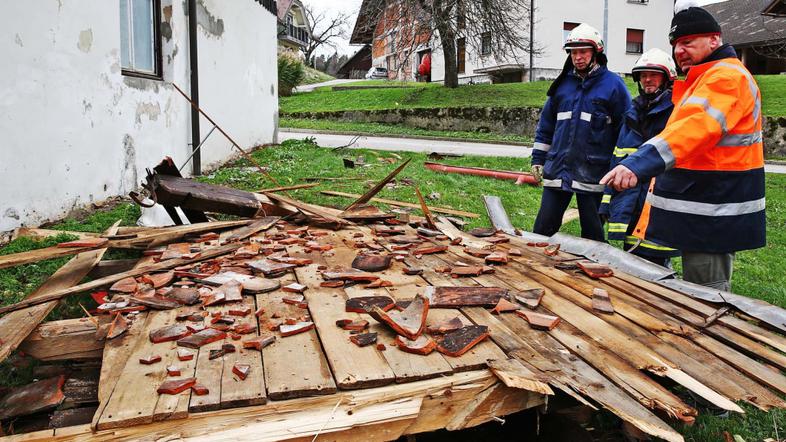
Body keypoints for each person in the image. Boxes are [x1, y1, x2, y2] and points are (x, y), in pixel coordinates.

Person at [600, 3, 765, 291]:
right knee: (694, 292)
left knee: (707, 296)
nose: (679, 51)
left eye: (688, 42)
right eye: (676, 45)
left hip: (714, 211)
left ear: (714, 39)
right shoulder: (706, 79)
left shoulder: (727, 78)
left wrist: (637, 164)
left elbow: (692, 130)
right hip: (703, 207)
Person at [530, 23, 631, 241]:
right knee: (541, 232)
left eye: (583, 51)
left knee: (593, 237)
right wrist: (538, 159)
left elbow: (625, 130)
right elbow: (546, 126)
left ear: (596, 52)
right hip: (558, 170)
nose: (578, 57)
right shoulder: (561, 86)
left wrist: (622, 166)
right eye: (574, 52)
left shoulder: (614, 86)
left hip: (594, 174)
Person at [599, 48, 680, 267]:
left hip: (659, 204)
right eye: (643, 75)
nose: (647, 80)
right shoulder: (632, 113)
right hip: (630, 202)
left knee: (657, 268)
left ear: (667, 78)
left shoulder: (676, 114)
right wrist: (606, 204)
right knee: (632, 263)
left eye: (654, 74)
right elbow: (618, 159)